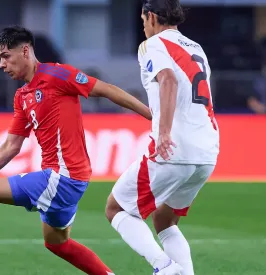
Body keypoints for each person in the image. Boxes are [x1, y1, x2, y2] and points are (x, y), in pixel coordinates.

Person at [0, 25, 151, 275]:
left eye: (6, 56)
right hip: (68, 179)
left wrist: (151, 115)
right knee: (57, 244)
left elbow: (107, 90)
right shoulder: (22, 96)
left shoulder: (57, 74)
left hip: (63, 177)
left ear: (25, 51)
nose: (1, 64)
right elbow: (12, 145)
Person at [104, 1, 219, 275]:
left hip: (173, 149)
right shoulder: (195, 47)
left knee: (116, 208)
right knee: (165, 220)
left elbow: (168, 79)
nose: (143, 26)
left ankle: (164, 268)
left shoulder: (153, 44)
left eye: (143, 20)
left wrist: (164, 132)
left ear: (151, 16)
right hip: (207, 151)